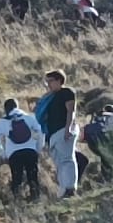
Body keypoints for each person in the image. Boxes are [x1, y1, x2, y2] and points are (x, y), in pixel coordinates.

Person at [34, 70, 80, 198]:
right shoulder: (50, 97)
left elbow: (71, 111)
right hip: (53, 134)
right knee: (59, 162)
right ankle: (64, 189)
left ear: (59, 80)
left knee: (67, 159)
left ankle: (70, 188)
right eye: (46, 82)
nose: (48, 84)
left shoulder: (66, 92)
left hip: (63, 129)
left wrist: (68, 128)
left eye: (50, 81)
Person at [0, 98, 43, 200]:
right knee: (33, 178)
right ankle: (36, 199)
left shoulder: (3, 122)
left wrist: (2, 153)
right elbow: (40, 132)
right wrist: (38, 149)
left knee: (16, 179)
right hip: (30, 151)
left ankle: (18, 201)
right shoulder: (29, 117)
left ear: (6, 109)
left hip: (14, 154)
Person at [82, 103, 113, 181]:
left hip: (108, 142)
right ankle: (108, 178)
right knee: (105, 159)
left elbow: (105, 129)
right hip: (112, 143)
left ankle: (108, 178)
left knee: (106, 160)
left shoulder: (112, 118)